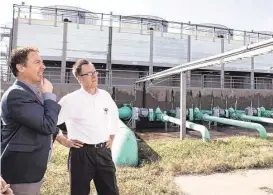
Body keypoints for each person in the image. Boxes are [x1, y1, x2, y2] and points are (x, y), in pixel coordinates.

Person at [0, 47, 61, 195]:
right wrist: (48, 95)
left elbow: (40, 121)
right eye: (37, 62)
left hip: (31, 170)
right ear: (21, 67)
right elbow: (47, 125)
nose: (43, 66)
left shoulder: (30, 92)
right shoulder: (17, 94)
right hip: (21, 174)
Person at [57, 59, 120, 195]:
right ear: (79, 78)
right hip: (81, 154)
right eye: (89, 73)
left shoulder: (105, 95)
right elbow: (49, 123)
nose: (94, 76)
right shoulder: (69, 100)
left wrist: (112, 136)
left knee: (110, 191)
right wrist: (64, 140)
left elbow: (114, 115)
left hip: (103, 152)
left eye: (95, 72)